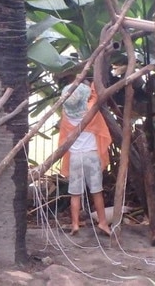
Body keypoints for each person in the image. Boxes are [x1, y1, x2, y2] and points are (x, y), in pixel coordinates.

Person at [57, 81, 112, 236]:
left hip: (75, 157)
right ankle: (102, 222)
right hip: (92, 156)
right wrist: (93, 84)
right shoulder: (90, 111)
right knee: (97, 192)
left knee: (75, 194)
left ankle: (75, 224)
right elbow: (95, 95)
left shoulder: (66, 115)